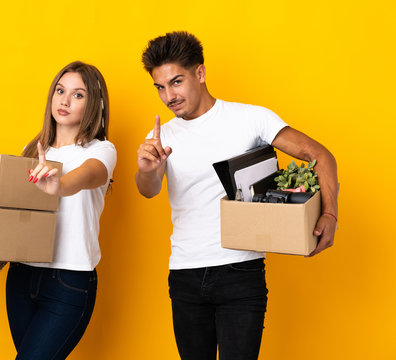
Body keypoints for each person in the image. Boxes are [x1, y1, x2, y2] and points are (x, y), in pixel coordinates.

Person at [135, 32, 338, 360]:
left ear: (199, 73)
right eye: (160, 87)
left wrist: (329, 214)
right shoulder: (162, 136)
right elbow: (148, 190)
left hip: (240, 273)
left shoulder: (250, 119)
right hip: (185, 273)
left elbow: (320, 156)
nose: (168, 96)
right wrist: (147, 167)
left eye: (176, 82)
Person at [0, 61, 116, 360]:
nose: (64, 100)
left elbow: (90, 175)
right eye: (60, 90)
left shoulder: (100, 150)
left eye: (78, 95)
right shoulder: (32, 151)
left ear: (95, 104)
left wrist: (60, 185)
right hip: (22, 278)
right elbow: (15, 218)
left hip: (68, 283)